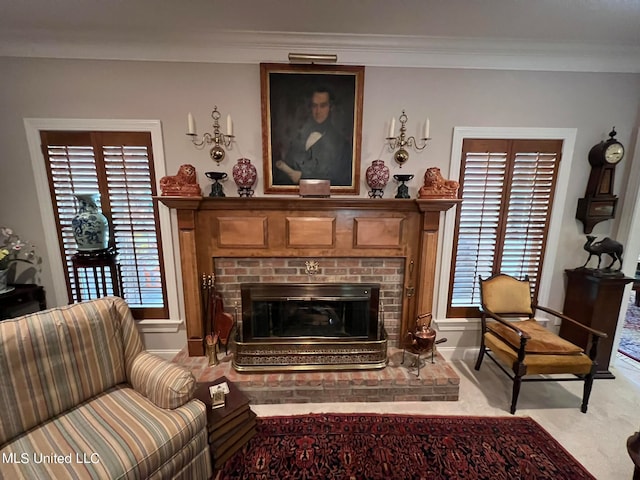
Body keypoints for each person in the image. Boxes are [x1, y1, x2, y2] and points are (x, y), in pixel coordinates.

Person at [275, 86, 353, 186]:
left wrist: (303, 177)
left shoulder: (341, 144)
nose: (318, 111)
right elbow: (283, 176)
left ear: (331, 107)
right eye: (314, 106)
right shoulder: (298, 138)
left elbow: (340, 180)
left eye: (323, 105)